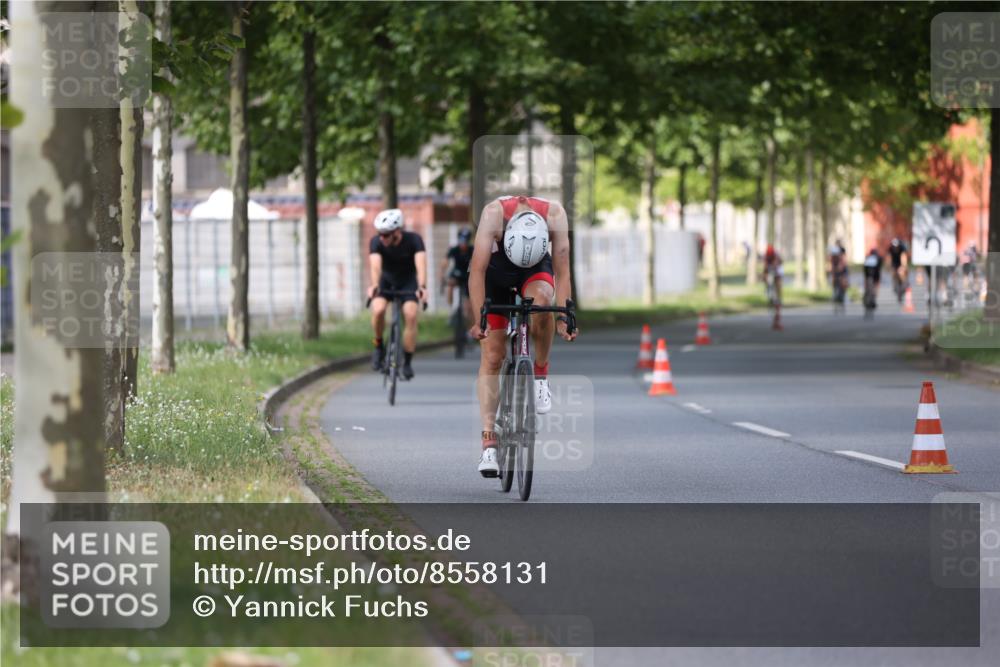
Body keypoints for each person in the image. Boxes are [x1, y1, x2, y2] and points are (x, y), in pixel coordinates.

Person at [467, 195, 577, 477]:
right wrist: (479, 319)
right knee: (492, 356)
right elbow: (477, 271)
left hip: (536, 270)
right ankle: (489, 441)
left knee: (542, 303)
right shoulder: (493, 214)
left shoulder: (555, 215)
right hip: (497, 271)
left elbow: (563, 272)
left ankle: (540, 375)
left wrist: (564, 316)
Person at [368, 208, 427, 380]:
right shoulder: (376, 242)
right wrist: (374, 285)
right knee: (378, 310)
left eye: (386, 234)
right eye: (380, 234)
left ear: (397, 231)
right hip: (385, 281)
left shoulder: (414, 240)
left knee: (410, 314)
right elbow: (375, 266)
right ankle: (378, 346)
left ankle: (407, 361)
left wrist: (422, 286)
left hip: (408, 282)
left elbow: (421, 265)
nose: (382, 238)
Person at [439, 228, 474, 326]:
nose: (463, 244)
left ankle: (470, 328)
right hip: (457, 274)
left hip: (468, 276)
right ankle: (451, 309)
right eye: (461, 241)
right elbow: (444, 263)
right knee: (450, 284)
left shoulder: (473, 250)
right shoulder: (454, 249)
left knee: (469, 307)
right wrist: (442, 276)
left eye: (465, 242)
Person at [762, 244, 784, 330]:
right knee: (774, 295)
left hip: (776, 276)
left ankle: (777, 301)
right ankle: (772, 298)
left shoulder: (776, 257)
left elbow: (779, 266)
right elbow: (765, 270)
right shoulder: (767, 259)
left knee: (777, 296)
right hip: (772, 277)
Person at [829, 242, 849, 313]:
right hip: (836, 270)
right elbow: (831, 262)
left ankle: (843, 297)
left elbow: (844, 263)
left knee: (843, 283)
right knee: (835, 283)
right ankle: (836, 297)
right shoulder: (834, 253)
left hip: (842, 271)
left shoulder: (841, 252)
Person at [887, 237, 909, 303]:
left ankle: (904, 283)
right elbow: (889, 258)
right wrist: (889, 267)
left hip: (901, 262)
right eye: (894, 246)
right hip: (894, 263)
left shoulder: (902, 248)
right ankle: (895, 284)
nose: (895, 248)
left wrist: (903, 267)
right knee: (893, 273)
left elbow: (903, 258)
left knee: (901, 273)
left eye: (896, 246)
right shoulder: (890, 248)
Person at [862, 247, 883, 315]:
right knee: (873, 289)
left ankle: (869, 300)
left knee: (870, 288)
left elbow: (865, 270)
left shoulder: (868, 258)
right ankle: (870, 300)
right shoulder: (878, 259)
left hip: (870, 276)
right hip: (872, 276)